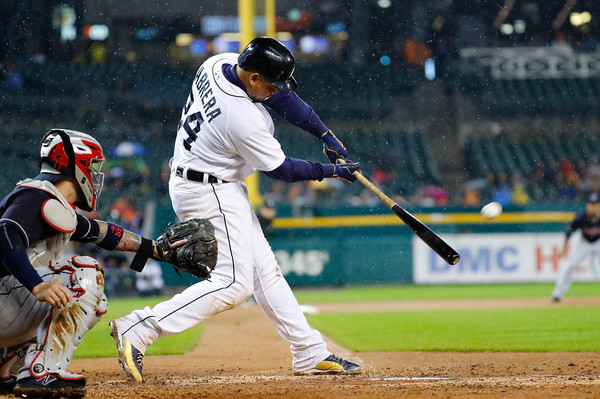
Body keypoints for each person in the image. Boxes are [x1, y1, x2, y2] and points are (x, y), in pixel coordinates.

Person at [109, 37, 361, 381]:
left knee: (265, 270)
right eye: (269, 85)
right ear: (254, 78)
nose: (275, 92)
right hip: (208, 189)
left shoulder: (219, 63)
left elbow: (285, 98)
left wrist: (325, 134)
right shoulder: (239, 117)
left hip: (208, 178)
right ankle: (139, 327)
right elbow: (283, 170)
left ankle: (309, 352)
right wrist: (332, 171)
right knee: (233, 284)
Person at [0, 129, 177, 398]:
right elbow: (4, 234)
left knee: (97, 302)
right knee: (85, 272)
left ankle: (6, 366)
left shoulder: (47, 200)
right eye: (92, 166)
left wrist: (156, 250)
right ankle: (41, 373)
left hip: (5, 306)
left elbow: (103, 233)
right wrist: (37, 286)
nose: (95, 175)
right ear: (76, 166)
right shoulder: (35, 196)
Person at [551, 192, 600, 302]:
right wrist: (564, 249)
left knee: (597, 269)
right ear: (587, 205)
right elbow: (568, 233)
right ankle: (557, 294)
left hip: (598, 242)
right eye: (591, 204)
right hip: (584, 242)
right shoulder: (581, 217)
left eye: (595, 204)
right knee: (570, 265)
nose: (592, 207)